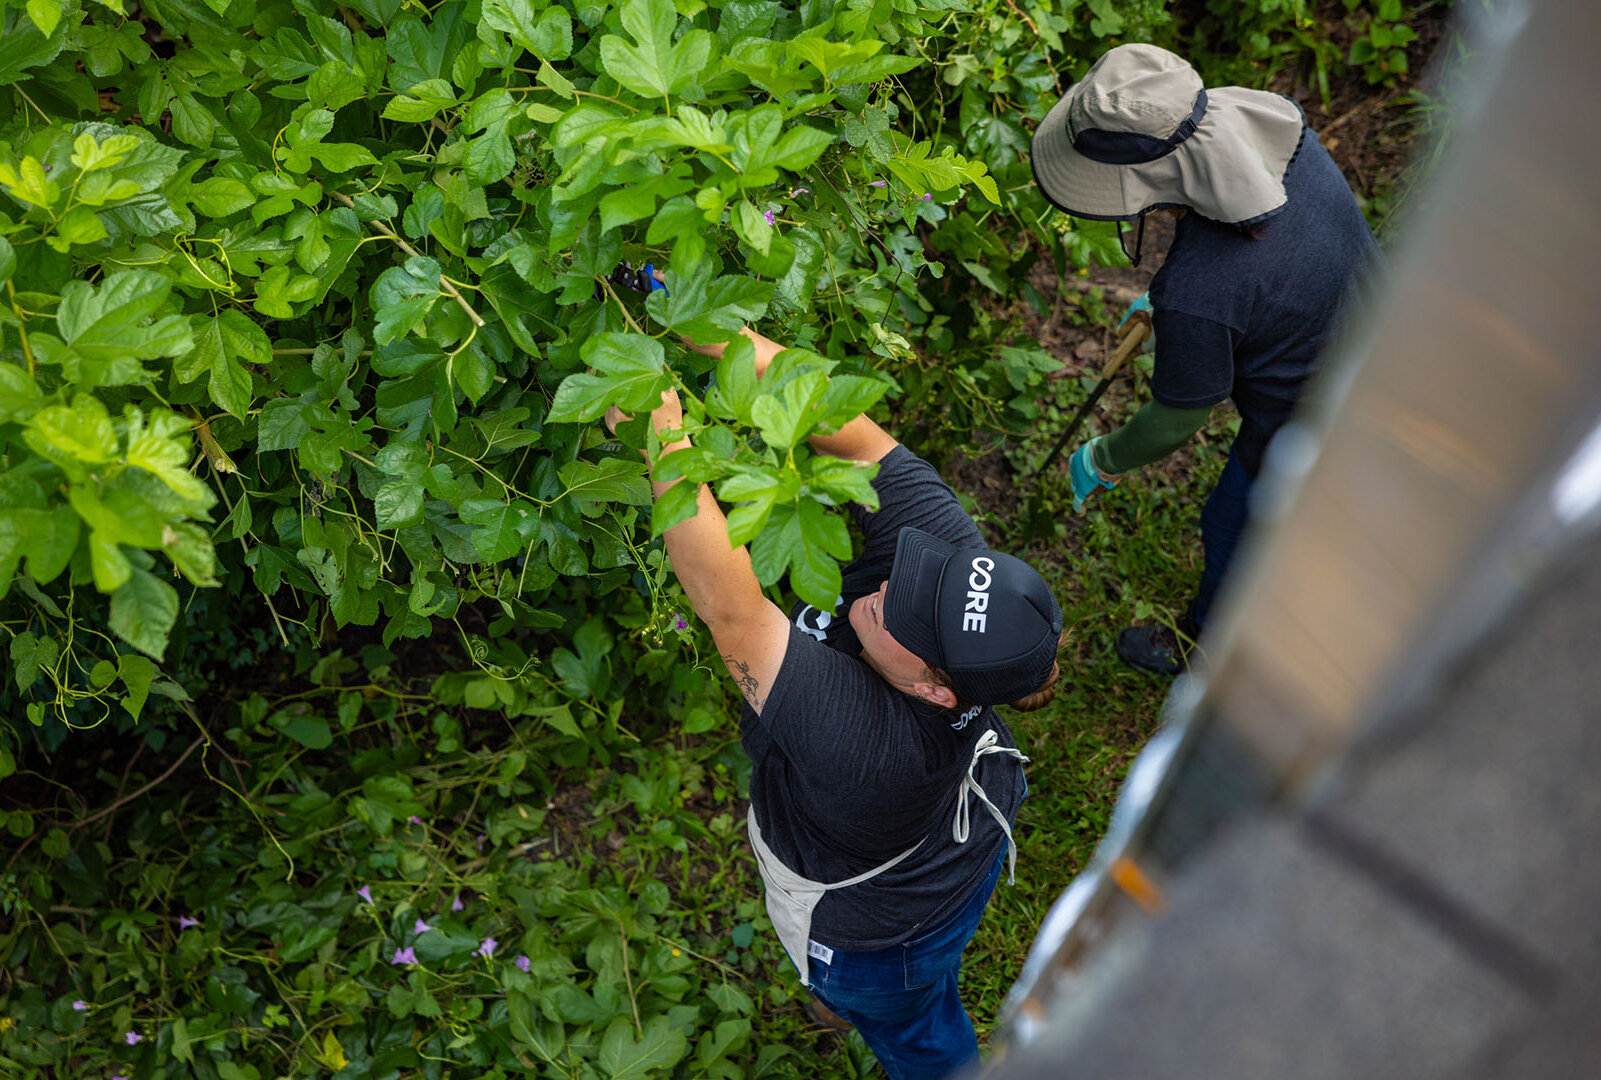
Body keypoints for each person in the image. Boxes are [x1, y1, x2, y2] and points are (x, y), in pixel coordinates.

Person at [606, 327, 1064, 1080]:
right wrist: (701, 322)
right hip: (952, 846)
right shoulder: (956, 569)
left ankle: (894, 1027)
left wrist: (655, 427)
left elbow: (733, 611)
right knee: (920, 976)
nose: (888, 590)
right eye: (920, 578)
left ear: (934, 689)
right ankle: (873, 1001)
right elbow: (855, 445)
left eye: (905, 617)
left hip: (878, 938)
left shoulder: (874, 754)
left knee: (916, 1028)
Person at [1030, 43, 1379, 675]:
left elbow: (1179, 417)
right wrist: (1166, 301)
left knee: (1233, 529)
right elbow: (1272, 267)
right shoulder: (1282, 134)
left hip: (1314, 421)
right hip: (1381, 336)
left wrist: (1105, 456)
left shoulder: (1201, 294)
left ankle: (1205, 646)